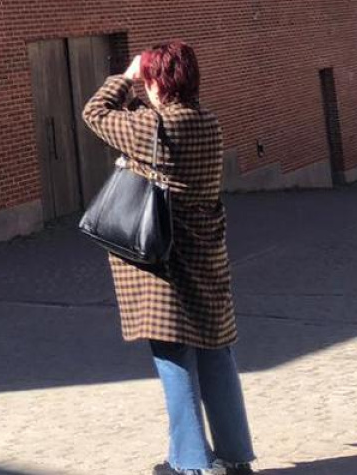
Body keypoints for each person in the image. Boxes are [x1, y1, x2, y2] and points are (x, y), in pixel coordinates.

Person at [82, 42, 255, 475]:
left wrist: (125, 77)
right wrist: (144, 94)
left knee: (175, 358)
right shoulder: (208, 123)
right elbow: (155, 128)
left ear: (158, 81)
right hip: (206, 257)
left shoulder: (153, 128)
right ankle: (236, 456)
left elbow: (95, 113)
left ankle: (191, 462)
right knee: (216, 354)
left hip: (165, 266)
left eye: (148, 79)